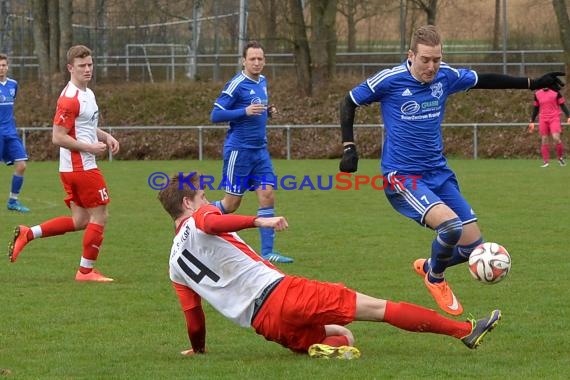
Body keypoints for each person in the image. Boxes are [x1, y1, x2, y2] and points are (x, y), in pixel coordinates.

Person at [338, 24, 565, 316]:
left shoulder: (445, 76)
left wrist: (532, 82)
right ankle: (436, 278)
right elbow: (349, 101)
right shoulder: (390, 80)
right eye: (426, 60)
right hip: (402, 175)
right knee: (450, 226)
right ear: (411, 55)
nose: (432, 66)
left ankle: (431, 264)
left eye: (437, 59)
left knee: (473, 246)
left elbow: (484, 80)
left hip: (439, 173)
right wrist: (348, 146)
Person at [157, 172, 502, 358]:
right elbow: (209, 224)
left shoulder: (174, 263)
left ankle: (318, 349)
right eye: (202, 196)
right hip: (284, 294)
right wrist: (257, 222)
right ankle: (465, 331)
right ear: (188, 202)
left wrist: (199, 349)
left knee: (343, 337)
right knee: (379, 309)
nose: (209, 201)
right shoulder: (200, 217)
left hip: (266, 325)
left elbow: (194, 317)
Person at [8, 45, 119, 282]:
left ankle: (29, 233)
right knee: (100, 216)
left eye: (90, 64)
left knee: (81, 221)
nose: (88, 69)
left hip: (75, 168)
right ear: (71, 68)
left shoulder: (87, 93)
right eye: (82, 66)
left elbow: (85, 127)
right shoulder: (69, 99)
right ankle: (85, 272)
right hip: (81, 168)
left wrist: (106, 136)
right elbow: (57, 136)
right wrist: (90, 148)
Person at [209, 40, 293, 264]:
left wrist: (268, 111)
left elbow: (258, 108)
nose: (257, 62)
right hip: (239, 151)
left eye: (260, 59)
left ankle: (267, 253)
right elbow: (215, 115)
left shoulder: (262, 81)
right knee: (231, 204)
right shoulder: (236, 84)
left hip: (260, 151)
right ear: (243, 61)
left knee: (267, 196)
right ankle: (200, 219)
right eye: (252, 59)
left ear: (264, 61)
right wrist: (244, 111)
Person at [0, 53, 30, 213]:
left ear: (7, 67)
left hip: (10, 132)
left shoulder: (13, 84)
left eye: (4, 65)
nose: (1, 68)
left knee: (21, 165)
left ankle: (13, 201)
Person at [527, 87, 570, 167]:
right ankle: (546, 162)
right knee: (544, 139)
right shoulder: (537, 94)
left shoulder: (556, 92)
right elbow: (536, 108)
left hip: (554, 118)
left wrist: (568, 116)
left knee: (556, 138)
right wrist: (532, 120)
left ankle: (560, 158)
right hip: (543, 119)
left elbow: (562, 105)